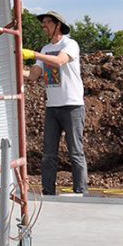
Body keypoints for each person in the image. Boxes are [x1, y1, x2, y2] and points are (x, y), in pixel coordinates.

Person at [23, 10, 87, 195]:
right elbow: (34, 75)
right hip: (53, 107)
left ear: (57, 24)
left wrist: (32, 53)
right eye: (42, 24)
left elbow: (59, 61)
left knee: (75, 152)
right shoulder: (44, 49)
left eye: (47, 23)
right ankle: (48, 191)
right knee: (49, 154)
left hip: (72, 105)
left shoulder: (70, 44)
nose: (44, 27)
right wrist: (18, 68)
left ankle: (81, 192)